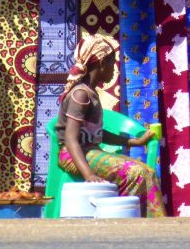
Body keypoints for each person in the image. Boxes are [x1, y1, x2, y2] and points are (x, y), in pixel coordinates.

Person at [55, 34, 166, 218]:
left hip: (89, 151)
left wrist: (135, 141)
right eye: (113, 64)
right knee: (136, 174)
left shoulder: (90, 93)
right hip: (73, 154)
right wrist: (89, 175)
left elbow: (98, 134)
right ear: (101, 63)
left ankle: (151, 223)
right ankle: (124, 220)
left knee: (147, 172)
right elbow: (70, 139)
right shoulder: (80, 95)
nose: (115, 70)